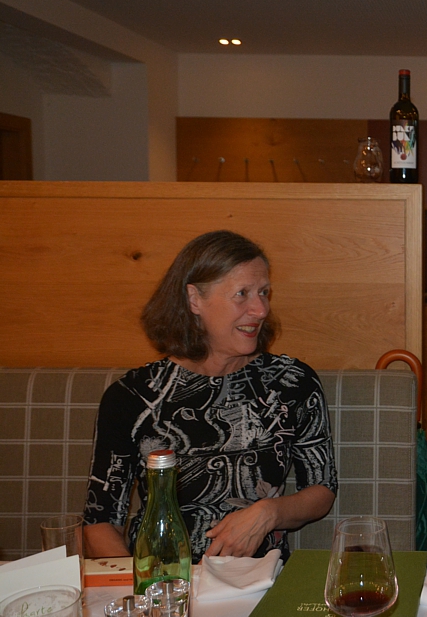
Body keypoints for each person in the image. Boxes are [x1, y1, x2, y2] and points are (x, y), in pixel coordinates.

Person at [83, 230, 337, 562]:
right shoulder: (134, 397)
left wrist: (270, 512)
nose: (260, 309)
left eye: (263, 292)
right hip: (162, 576)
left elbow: (321, 489)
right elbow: (100, 522)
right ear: (194, 300)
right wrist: (142, 584)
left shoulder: (291, 382)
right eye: (242, 294)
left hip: (260, 578)